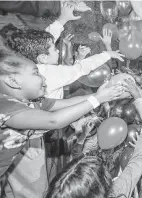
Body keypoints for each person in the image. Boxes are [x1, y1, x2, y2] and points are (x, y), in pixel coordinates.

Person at [0, 51, 125, 197]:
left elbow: (64, 104)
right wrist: (97, 99)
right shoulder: (5, 107)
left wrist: (98, 95)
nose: (43, 78)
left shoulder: (31, 102)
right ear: (12, 81)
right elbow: (54, 120)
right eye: (36, 73)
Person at [0, 3, 124, 99]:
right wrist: (107, 54)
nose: (58, 51)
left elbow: (45, 39)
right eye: (54, 49)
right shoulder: (50, 74)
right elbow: (80, 69)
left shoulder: (30, 60)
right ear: (43, 57)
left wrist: (62, 20)